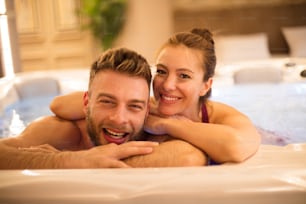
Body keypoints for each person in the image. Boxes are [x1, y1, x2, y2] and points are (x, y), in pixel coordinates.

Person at [50, 28, 261, 164]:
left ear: (206, 85)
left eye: (183, 76)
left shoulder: (221, 117)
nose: (167, 85)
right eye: (161, 71)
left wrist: (169, 125)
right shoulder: (143, 107)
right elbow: (59, 106)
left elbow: (236, 147)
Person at [0, 47, 206, 169]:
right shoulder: (66, 132)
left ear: (146, 111)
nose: (119, 118)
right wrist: (70, 160)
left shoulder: (152, 137)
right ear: (86, 102)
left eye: (134, 106)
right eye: (107, 102)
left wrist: (99, 162)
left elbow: (190, 156)